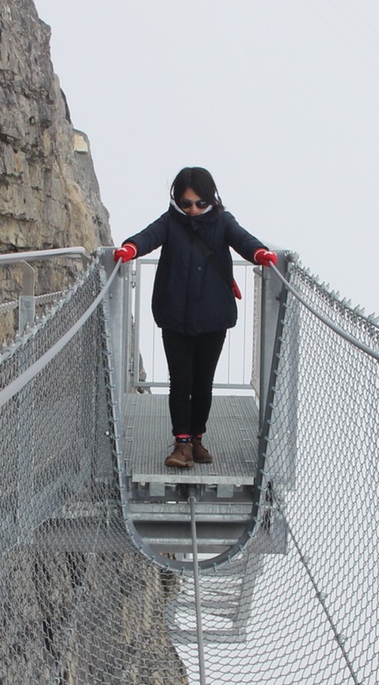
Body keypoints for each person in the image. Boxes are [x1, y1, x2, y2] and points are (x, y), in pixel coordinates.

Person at [113, 167, 278, 469]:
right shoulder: (170, 222)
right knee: (180, 381)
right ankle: (182, 444)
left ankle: (197, 439)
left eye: (200, 204)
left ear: (212, 200)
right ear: (177, 201)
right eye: (186, 204)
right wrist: (130, 248)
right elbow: (148, 236)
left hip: (213, 318)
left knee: (203, 383)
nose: (193, 210)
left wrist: (260, 254)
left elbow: (244, 240)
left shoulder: (223, 222)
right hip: (174, 316)